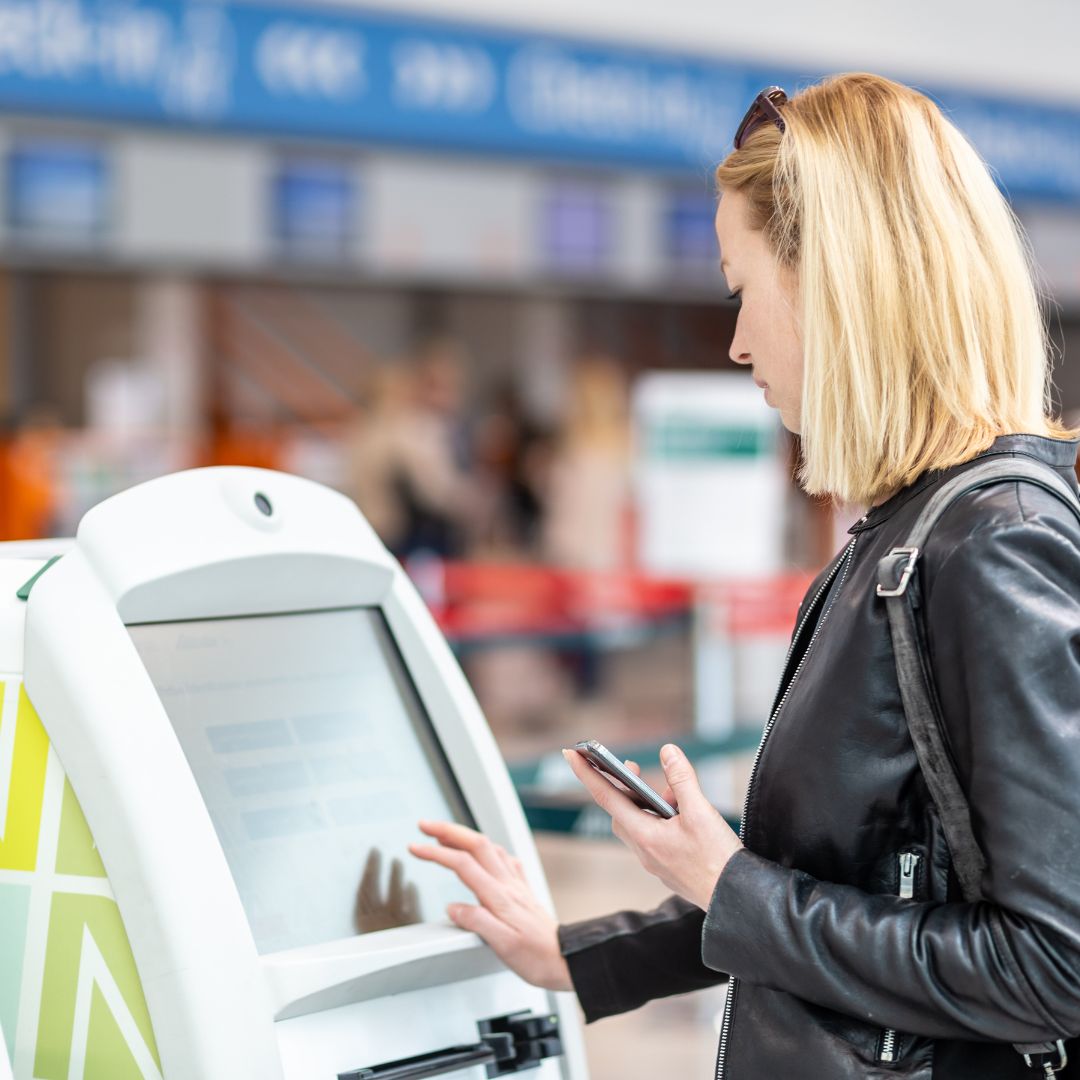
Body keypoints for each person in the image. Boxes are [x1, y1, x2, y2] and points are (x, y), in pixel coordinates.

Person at [408, 73, 1080, 1078]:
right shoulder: (906, 533)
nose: (735, 342)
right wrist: (576, 956)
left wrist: (733, 889)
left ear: (841, 284)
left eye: (740, 291)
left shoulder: (990, 542)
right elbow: (845, 885)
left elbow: (1052, 967)